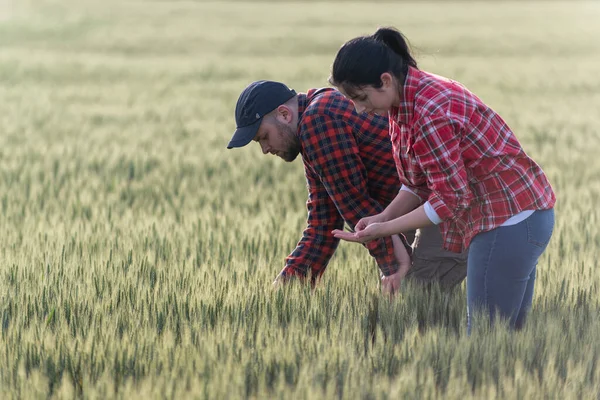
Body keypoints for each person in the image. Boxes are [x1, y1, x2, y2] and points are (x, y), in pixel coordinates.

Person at [329, 27, 555, 332]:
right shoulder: (403, 105)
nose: (359, 108)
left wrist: (386, 229)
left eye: (361, 97)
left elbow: (452, 198)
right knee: (505, 342)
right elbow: (418, 182)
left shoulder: (429, 111)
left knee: (486, 342)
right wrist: (382, 217)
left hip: (509, 222)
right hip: (514, 219)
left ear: (385, 80)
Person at [227, 80, 467, 294]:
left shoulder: (318, 122)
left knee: (412, 299)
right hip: (415, 209)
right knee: (408, 302)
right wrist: (284, 291)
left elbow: (357, 207)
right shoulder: (313, 123)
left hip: (449, 205)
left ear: (284, 114)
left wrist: (393, 269)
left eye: (263, 137)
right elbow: (324, 224)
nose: (265, 150)